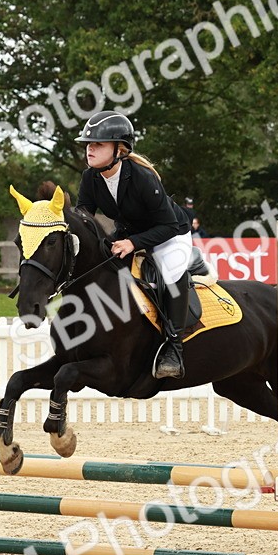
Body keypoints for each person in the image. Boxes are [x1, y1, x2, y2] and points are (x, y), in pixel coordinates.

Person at [74, 110, 193, 379]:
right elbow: (83, 217)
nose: (89, 149)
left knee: (171, 271)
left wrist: (133, 243)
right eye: (88, 144)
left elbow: (169, 225)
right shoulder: (90, 178)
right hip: (130, 233)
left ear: (120, 149)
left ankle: (174, 348)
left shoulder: (141, 177)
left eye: (98, 144)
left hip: (169, 234)